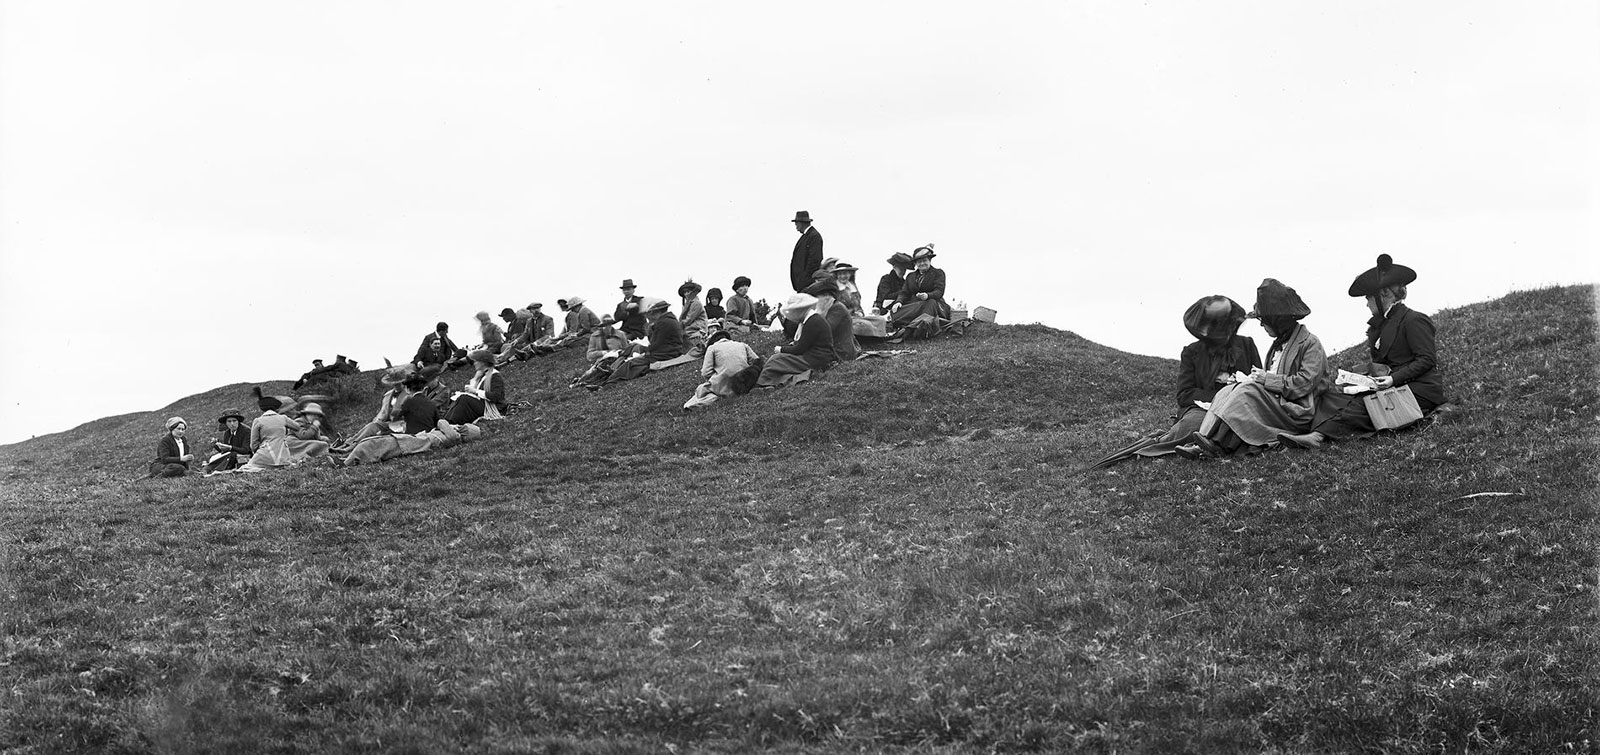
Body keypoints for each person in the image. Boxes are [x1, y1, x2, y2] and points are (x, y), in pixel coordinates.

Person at [1281, 255, 1446, 449]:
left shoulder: (1414, 320)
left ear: (1384, 294)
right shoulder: (1382, 325)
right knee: (1335, 398)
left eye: (1369, 297)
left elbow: (1427, 360)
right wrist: (1363, 378)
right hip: (1393, 386)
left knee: (1365, 405)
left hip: (1420, 389)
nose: (1367, 303)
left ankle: (1318, 437)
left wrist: (1393, 379)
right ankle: (1313, 432)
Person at [1089, 296, 1262, 468]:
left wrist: (1235, 388)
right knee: (1194, 426)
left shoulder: (1246, 345)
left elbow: (1256, 381)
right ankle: (1161, 443)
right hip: (1202, 409)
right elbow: (1184, 394)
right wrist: (1220, 396)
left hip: (1239, 407)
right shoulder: (1192, 352)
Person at [1178, 279, 1333, 458]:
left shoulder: (1309, 343)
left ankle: (1214, 443)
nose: (1261, 325)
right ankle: (1206, 441)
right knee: (1228, 390)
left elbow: (1304, 383)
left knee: (1246, 390)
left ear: (1277, 321)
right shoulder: (1278, 346)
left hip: (1297, 410)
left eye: (1264, 320)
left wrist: (1264, 379)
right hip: (1277, 403)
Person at [598, 298, 685, 388]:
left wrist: (645, 353)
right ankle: (612, 372)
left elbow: (656, 344)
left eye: (648, 314)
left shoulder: (663, 322)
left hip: (667, 353)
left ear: (655, 312)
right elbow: (657, 343)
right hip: (668, 350)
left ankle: (610, 382)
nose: (647, 317)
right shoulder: (667, 320)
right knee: (633, 349)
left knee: (632, 362)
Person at [756, 294, 835, 388]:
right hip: (819, 357)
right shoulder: (814, 319)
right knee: (779, 360)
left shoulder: (812, 322)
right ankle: (769, 382)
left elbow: (800, 349)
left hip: (815, 359)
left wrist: (781, 349)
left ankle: (762, 383)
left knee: (776, 359)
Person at [237, 397, 329, 472]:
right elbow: (297, 427)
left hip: (264, 455)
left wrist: (259, 449)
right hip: (282, 456)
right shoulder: (283, 418)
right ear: (276, 408)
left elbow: (253, 445)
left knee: (249, 467)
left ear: (263, 410)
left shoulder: (257, 421)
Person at [683, 329, 763, 410]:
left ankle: (694, 405)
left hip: (725, 384)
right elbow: (757, 361)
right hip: (746, 381)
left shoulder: (712, 347)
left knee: (701, 390)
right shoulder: (742, 345)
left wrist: (716, 377)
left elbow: (705, 372)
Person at [888, 246, 950, 327]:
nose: (922, 264)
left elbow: (939, 291)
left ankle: (919, 323)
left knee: (930, 304)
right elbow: (904, 293)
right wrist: (898, 302)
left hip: (933, 303)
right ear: (916, 264)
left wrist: (927, 295)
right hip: (916, 305)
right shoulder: (910, 276)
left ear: (930, 261)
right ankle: (916, 322)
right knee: (895, 311)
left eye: (924, 261)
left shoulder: (938, 273)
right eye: (919, 262)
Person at [787, 211, 824, 337]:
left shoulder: (814, 236)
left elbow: (814, 261)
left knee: (805, 309)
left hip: (806, 282)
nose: (796, 226)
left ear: (802, 223)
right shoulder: (806, 236)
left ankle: (801, 335)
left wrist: (805, 280)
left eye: (796, 223)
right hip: (801, 281)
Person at [446, 349, 507, 423]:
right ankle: (446, 422)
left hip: (493, 407)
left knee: (464, 399)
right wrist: (475, 378)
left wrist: (475, 391)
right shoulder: (483, 375)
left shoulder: (495, 376)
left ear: (482, 363)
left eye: (475, 361)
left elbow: (496, 396)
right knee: (458, 399)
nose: (474, 364)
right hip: (484, 404)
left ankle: (450, 423)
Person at [806, 278, 859, 362]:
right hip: (831, 349)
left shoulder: (837, 308)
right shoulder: (827, 308)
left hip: (841, 353)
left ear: (826, 296)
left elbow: (824, 331)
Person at [202, 409, 252, 474]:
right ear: (226, 423)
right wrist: (217, 445)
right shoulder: (227, 433)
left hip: (243, 457)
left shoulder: (246, 431)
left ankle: (210, 469)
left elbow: (246, 450)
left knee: (231, 455)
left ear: (238, 421)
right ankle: (208, 469)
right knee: (219, 457)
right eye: (229, 421)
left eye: (234, 421)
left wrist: (230, 448)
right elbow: (225, 451)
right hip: (231, 456)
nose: (232, 424)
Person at [679, 280, 709, 357]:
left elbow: (688, 320)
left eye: (688, 291)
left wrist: (678, 324)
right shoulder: (688, 304)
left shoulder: (696, 303)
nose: (686, 294)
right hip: (691, 328)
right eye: (685, 292)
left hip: (697, 329)